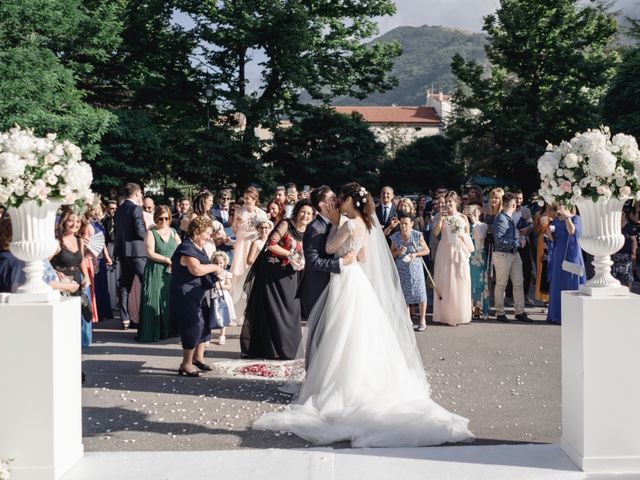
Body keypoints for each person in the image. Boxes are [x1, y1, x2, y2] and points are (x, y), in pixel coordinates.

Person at [253, 182, 474, 447]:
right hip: (354, 278)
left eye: (341, 198)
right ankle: (334, 381)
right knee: (357, 333)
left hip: (346, 280)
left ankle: (337, 385)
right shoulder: (363, 224)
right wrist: (347, 252)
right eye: (335, 199)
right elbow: (362, 255)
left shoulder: (346, 224)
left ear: (350, 202)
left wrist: (337, 228)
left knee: (344, 332)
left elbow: (332, 249)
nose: (338, 201)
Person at [240, 199, 314, 360]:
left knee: (292, 308)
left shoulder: (309, 230)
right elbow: (271, 244)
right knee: (273, 310)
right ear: (297, 211)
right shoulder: (285, 224)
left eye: (309, 213)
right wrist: (290, 254)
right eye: (303, 211)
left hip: (291, 274)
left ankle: (289, 347)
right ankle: (271, 349)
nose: (305, 215)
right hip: (272, 273)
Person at [299, 186, 355, 367]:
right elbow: (313, 262)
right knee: (318, 335)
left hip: (334, 287)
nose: (337, 201)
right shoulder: (315, 228)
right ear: (322, 205)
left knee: (330, 336)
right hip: (317, 288)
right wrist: (342, 262)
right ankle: (313, 378)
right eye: (332, 199)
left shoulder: (333, 223)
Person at [170, 216, 223, 377]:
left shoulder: (197, 247)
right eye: (206, 233)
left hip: (197, 292)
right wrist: (214, 266)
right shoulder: (186, 248)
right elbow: (196, 270)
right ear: (196, 232)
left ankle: (197, 358)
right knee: (193, 324)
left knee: (205, 322)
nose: (208, 237)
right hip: (185, 293)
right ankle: (186, 363)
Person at [136, 206, 181, 343]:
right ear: (156, 218)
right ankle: (151, 332)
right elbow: (150, 253)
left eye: (166, 218)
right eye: (160, 218)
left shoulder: (173, 232)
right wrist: (166, 259)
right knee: (153, 298)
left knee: (168, 299)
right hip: (155, 269)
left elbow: (180, 248)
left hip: (171, 271)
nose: (164, 221)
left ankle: (168, 331)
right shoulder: (151, 233)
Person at [50, 208, 93, 346]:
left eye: (78, 221)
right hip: (62, 283)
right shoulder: (57, 241)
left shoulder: (79, 241)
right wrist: (54, 271)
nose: (75, 224)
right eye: (71, 220)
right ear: (63, 222)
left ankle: (76, 350)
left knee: (78, 318)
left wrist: (86, 276)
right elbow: (44, 261)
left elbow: (81, 260)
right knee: (64, 319)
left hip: (77, 281)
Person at [432, 191, 474, 326]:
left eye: (450, 201)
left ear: (456, 202)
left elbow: (468, 236)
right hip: (445, 251)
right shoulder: (441, 217)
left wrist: (462, 238)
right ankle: (446, 315)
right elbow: (436, 233)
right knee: (446, 282)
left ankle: (460, 314)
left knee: (460, 281)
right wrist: (440, 220)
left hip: (459, 251)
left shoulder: (463, 217)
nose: (448, 204)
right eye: (446, 201)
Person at [492, 192, 531, 323]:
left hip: (513, 253)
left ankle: (519, 312)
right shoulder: (501, 218)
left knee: (519, 283)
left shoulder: (507, 218)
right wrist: (517, 242)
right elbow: (499, 241)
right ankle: (500, 312)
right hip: (503, 254)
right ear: (514, 205)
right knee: (502, 284)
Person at [114, 182, 147, 330]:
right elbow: (140, 232)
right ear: (136, 193)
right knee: (147, 281)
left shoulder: (119, 209)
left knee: (124, 285)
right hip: (137, 252)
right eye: (140, 193)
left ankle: (125, 318)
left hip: (122, 251)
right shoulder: (136, 209)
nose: (141, 196)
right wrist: (151, 235)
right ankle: (147, 317)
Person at [230, 187, 268, 315]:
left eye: (248, 198)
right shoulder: (239, 211)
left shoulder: (261, 213)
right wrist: (237, 223)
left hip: (253, 245)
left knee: (253, 274)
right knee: (239, 274)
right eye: (244, 198)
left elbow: (264, 231)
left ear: (255, 199)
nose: (245, 200)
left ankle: (252, 309)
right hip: (242, 245)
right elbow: (234, 230)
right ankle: (236, 310)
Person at [546, 204, 586, 324]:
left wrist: (567, 218)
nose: (559, 207)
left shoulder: (576, 218)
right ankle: (557, 315)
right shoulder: (555, 220)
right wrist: (549, 235)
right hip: (558, 254)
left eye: (562, 205)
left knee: (570, 282)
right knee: (558, 283)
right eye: (558, 205)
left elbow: (573, 232)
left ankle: (573, 316)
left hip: (572, 255)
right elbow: (553, 239)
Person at [390, 213, 430, 331]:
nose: (403, 226)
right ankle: (408, 320)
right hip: (402, 268)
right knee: (404, 294)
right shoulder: (395, 236)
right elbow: (390, 254)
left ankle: (422, 320)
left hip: (415, 267)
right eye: (401, 224)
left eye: (406, 224)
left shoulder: (417, 235)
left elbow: (427, 250)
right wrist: (398, 251)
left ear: (411, 224)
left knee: (420, 293)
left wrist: (416, 254)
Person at [466, 204, 490, 319]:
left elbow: (479, 236)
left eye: (475, 211)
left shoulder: (482, 225)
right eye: (470, 211)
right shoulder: (466, 225)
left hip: (478, 255)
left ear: (479, 212)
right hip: (467, 255)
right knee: (468, 281)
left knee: (479, 282)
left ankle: (478, 307)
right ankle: (468, 306)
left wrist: (474, 220)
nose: (472, 213)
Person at [210, 251, 236, 345]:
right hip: (212, 294)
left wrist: (220, 285)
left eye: (221, 263)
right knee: (211, 314)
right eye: (216, 263)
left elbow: (229, 286)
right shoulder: (210, 273)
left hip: (223, 295)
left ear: (224, 263)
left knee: (223, 314)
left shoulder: (226, 273)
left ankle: (222, 335)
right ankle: (207, 336)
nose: (219, 264)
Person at [533, 203, 555, 304]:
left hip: (554, 241)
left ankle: (553, 296)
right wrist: (539, 224)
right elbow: (535, 231)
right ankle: (545, 298)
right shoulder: (538, 214)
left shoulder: (556, 212)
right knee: (543, 268)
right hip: (542, 242)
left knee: (553, 267)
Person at [611, 209, 638, 288]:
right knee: (614, 276)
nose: (621, 216)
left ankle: (629, 292)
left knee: (628, 277)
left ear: (625, 215)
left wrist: (633, 253)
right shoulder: (614, 226)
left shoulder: (628, 227)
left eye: (622, 214)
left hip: (626, 256)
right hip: (615, 255)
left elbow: (634, 241)